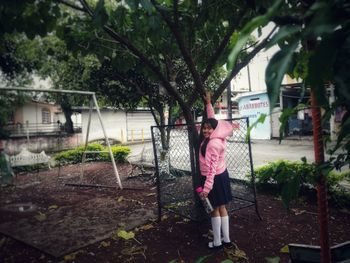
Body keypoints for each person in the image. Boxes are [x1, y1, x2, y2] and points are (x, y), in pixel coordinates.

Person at [199, 92, 234, 249]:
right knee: (222, 208)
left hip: (213, 179)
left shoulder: (212, 144)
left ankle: (218, 242)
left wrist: (207, 189)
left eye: (208, 129)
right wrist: (208, 104)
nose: (206, 131)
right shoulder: (218, 136)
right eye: (204, 128)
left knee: (214, 210)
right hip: (222, 175)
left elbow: (211, 169)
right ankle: (226, 239)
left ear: (214, 129)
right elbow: (213, 119)